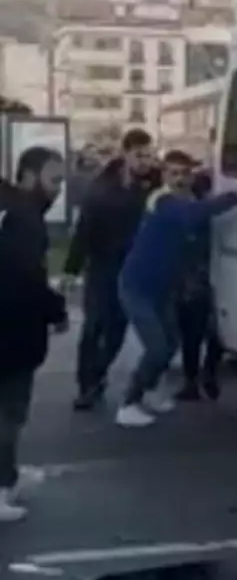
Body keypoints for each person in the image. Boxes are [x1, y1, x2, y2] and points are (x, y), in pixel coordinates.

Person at [116, 149, 237, 429]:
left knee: (170, 344)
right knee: (156, 348)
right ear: (164, 175)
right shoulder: (162, 200)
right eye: (173, 173)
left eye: (184, 173)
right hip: (137, 287)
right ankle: (128, 402)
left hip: (162, 290)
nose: (180, 179)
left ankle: (150, 392)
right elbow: (193, 216)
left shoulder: (187, 201)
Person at [62, 126, 157, 410]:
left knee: (117, 327)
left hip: (132, 268)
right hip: (102, 265)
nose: (145, 161)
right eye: (139, 155)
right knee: (93, 326)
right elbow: (84, 230)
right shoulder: (102, 186)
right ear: (125, 154)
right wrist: (71, 268)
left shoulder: (153, 184)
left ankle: (98, 374)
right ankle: (86, 385)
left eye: (149, 155)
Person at [0, 147, 69, 523]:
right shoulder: (25, 220)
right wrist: (55, 309)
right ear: (28, 176)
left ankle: (8, 476)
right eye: (54, 180)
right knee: (9, 413)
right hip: (11, 330)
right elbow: (27, 277)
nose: (59, 189)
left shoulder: (10, 209)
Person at [175, 168, 222, 401]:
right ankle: (208, 374)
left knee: (192, 336)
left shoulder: (191, 213)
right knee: (214, 333)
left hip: (192, 281)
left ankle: (192, 380)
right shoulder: (210, 214)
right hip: (210, 279)